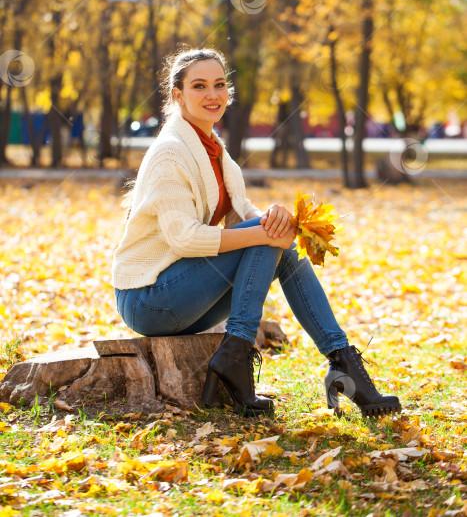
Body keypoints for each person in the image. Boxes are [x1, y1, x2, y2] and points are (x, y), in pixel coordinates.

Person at [112, 47, 401, 418]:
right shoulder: (171, 152)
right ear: (178, 95)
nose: (212, 94)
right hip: (148, 299)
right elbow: (184, 238)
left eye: (219, 85)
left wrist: (277, 218)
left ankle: (339, 359)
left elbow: (243, 216)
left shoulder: (214, 149)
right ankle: (245, 351)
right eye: (199, 86)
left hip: (182, 295)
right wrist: (266, 230)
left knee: (277, 244)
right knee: (267, 237)